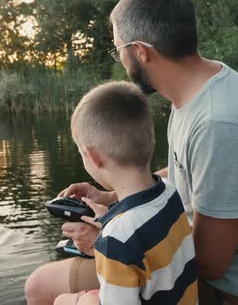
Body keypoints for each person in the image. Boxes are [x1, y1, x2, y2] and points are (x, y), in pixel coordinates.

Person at [25, 0, 238, 305]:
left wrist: (105, 243)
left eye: (118, 49)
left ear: (140, 51)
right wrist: (110, 197)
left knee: (41, 288)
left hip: (219, 285)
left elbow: (211, 262)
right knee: (48, 282)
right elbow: (186, 175)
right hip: (179, 254)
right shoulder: (199, 91)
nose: (121, 61)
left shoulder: (219, 125)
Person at [52, 81, 197, 305]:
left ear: (93, 157)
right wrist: (107, 221)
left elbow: (124, 241)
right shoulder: (169, 191)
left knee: (64, 301)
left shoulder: (116, 240)